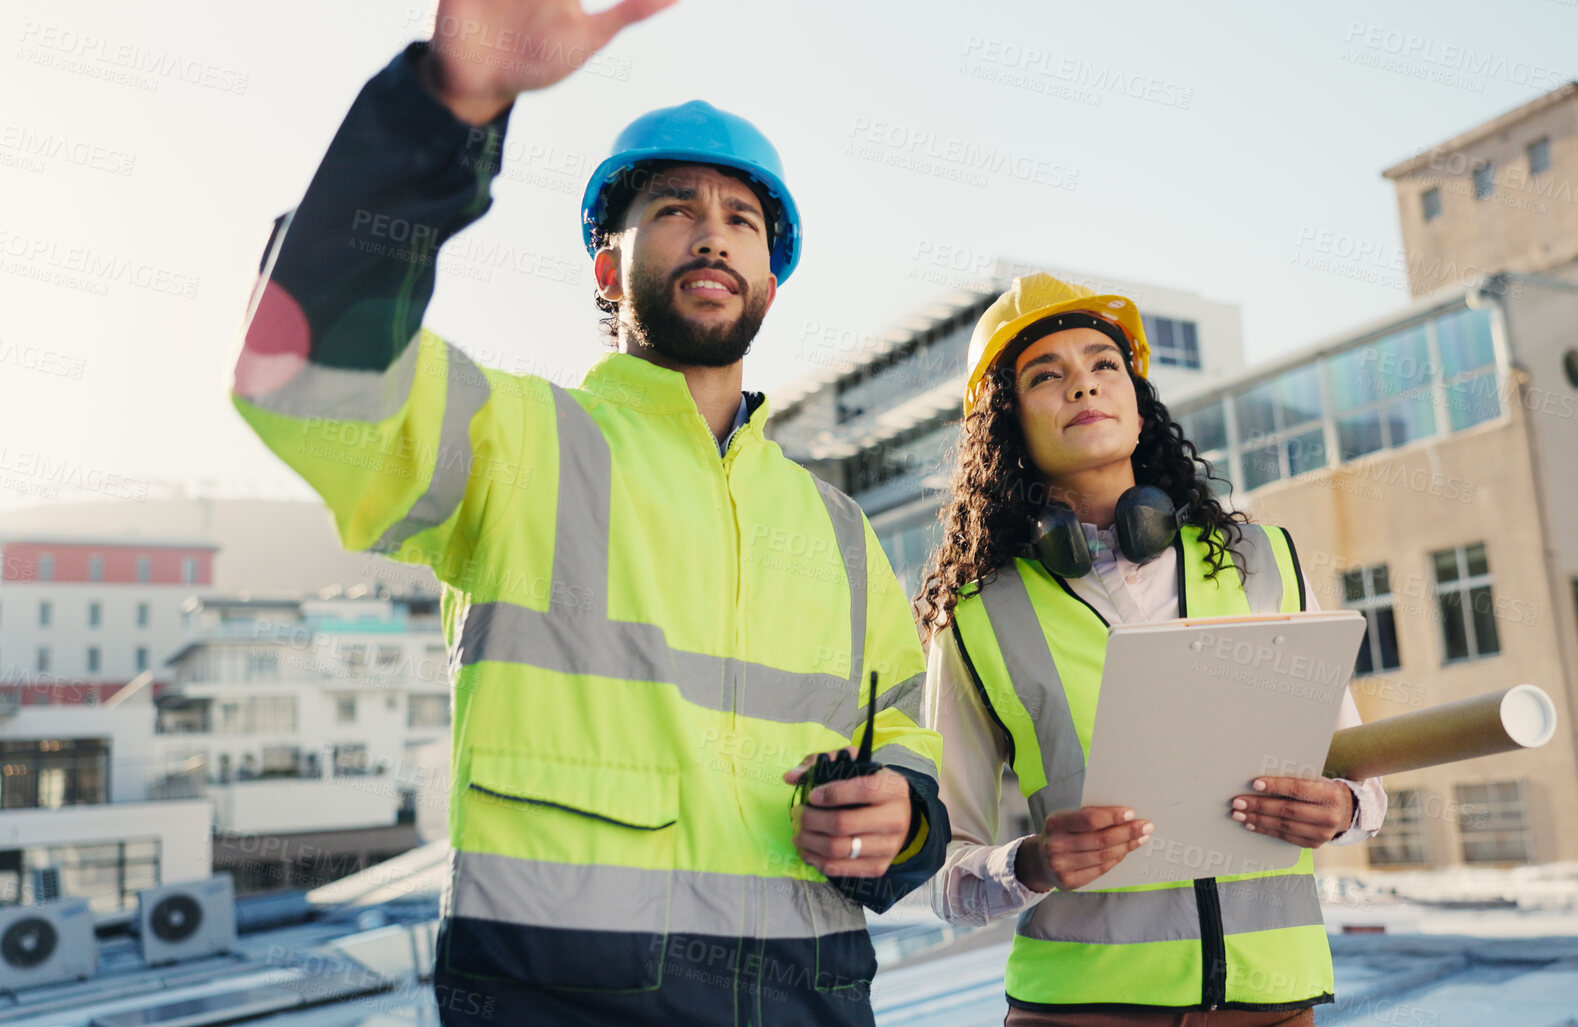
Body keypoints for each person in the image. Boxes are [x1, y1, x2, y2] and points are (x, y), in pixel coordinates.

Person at [229, 2, 947, 1023]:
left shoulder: (838, 532)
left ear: (769, 286)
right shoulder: (516, 444)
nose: (712, 230)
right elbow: (300, 373)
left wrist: (902, 819)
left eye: (743, 220)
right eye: (673, 209)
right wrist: (447, 103)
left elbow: (912, 747)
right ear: (609, 268)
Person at [918, 274, 1388, 1025]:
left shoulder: (1263, 558)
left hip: (1272, 1001)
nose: (1082, 385)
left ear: (1138, 402)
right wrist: (1030, 862)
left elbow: (1355, 775)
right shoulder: (977, 613)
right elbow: (941, 866)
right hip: (1082, 1009)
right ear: (1006, 424)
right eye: (1047, 375)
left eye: (1103, 364)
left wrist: (1340, 806)